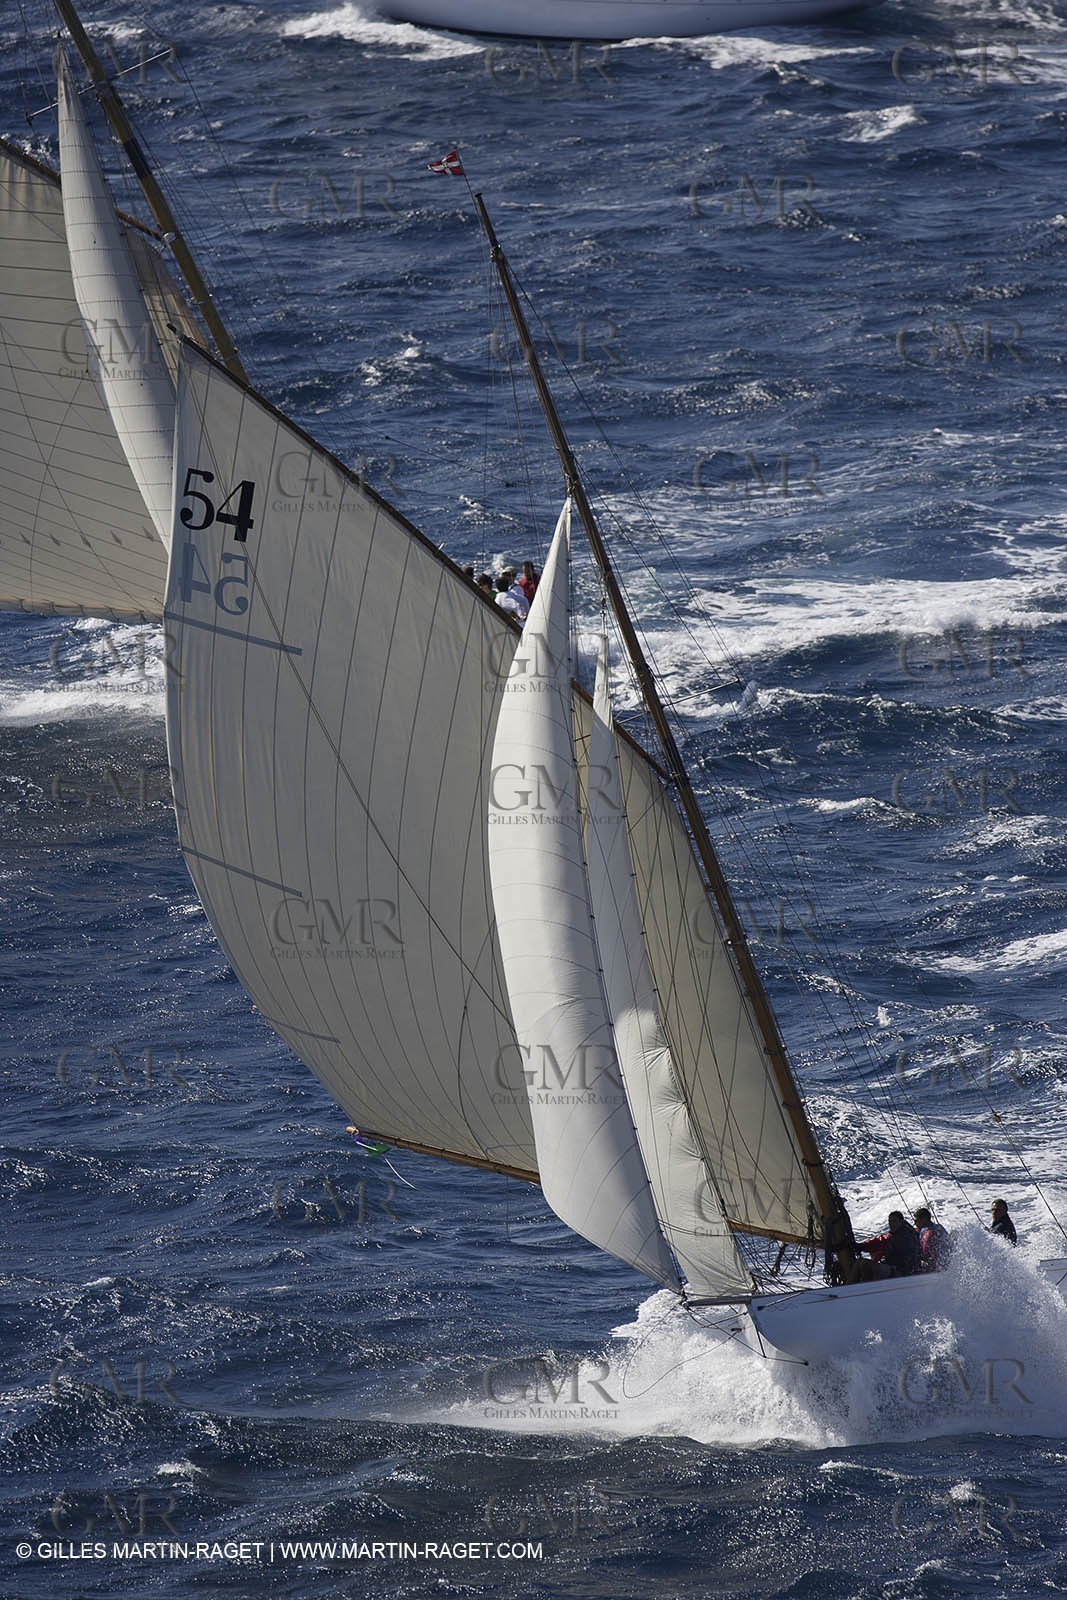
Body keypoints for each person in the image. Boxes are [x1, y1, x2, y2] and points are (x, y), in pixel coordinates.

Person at [857, 1210, 919, 1278]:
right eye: (890, 1221)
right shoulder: (906, 1232)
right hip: (900, 1269)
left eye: (894, 1221)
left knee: (863, 1264)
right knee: (864, 1263)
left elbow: (881, 1242)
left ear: (901, 1222)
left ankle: (857, 1285)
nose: (891, 1224)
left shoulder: (902, 1235)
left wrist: (862, 1246)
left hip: (900, 1271)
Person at [913, 1206, 951, 1272]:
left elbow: (926, 1253)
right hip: (947, 1262)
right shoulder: (939, 1227)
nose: (915, 1223)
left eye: (916, 1220)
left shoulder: (928, 1233)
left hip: (935, 1267)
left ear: (924, 1219)